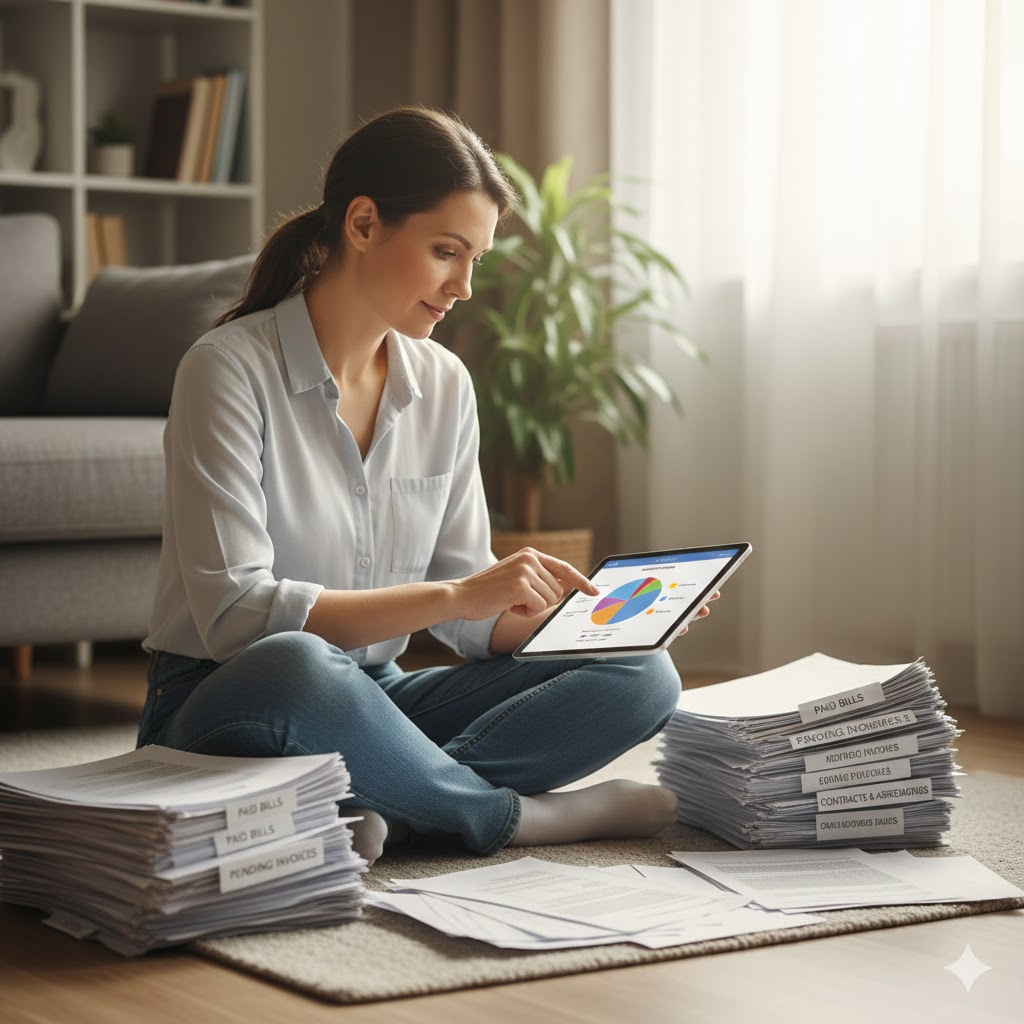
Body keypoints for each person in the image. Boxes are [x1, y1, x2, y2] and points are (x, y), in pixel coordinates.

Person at [137, 106, 715, 866]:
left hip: (374, 703)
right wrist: (456, 598)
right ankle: (508, 817)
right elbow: (238, 617)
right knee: (299, 665)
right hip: (231, 702)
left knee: (643, 676)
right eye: (448, 251)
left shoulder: (443, 383)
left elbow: (471, 620)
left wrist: (596, 626)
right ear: (365, 224)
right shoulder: (228, 369)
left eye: (477, 259)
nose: (465, 286)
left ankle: (401, 809)